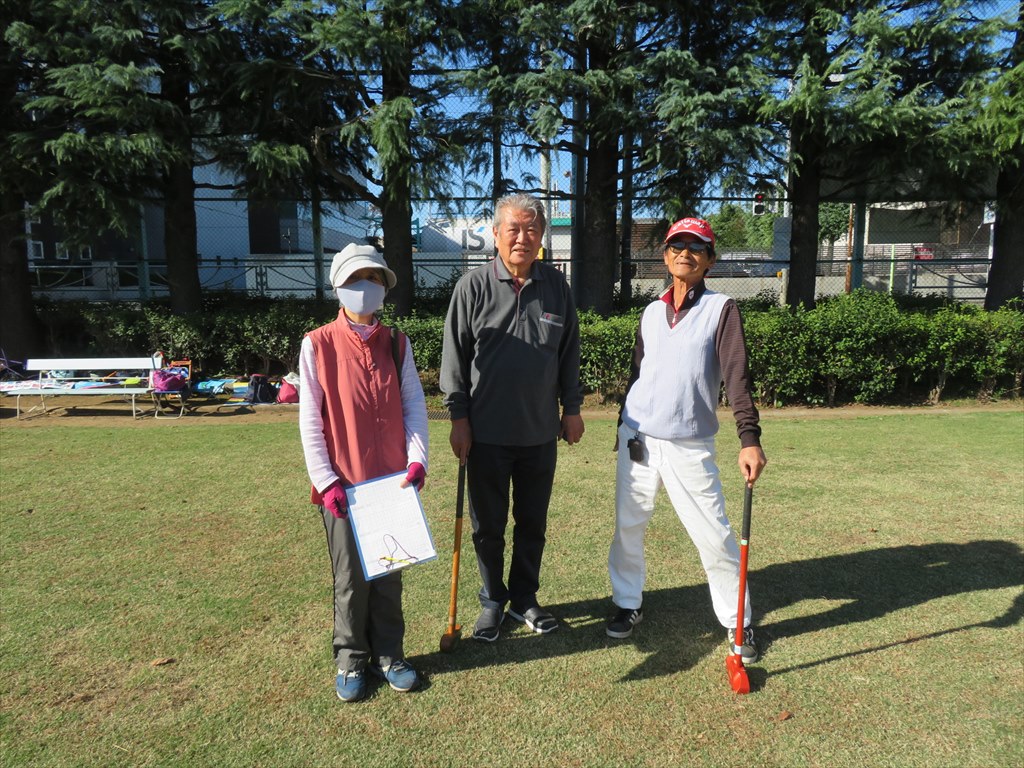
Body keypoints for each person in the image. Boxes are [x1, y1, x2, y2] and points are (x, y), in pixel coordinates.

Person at [605, 217, 767, 663]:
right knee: (628, 526)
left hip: (689, 444)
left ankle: (738, 621)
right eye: (677, 245)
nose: (685, 254)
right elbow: (639, 374)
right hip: (638, 438)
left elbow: (737, 376)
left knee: (714, 535)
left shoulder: (722, 309)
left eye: (696, 247)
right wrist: (622, 424)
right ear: (665, 256)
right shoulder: (650, 312)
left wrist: (749, 437)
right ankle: (627, 603)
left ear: (710, 260)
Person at [440, 193, 585, 642]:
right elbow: (454, 359)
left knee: (532, 523)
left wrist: (572, 408)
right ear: (496, 234)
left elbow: (568, 353)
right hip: (485, 434)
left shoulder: (556, 287)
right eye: (514, 229)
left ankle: (524, 598)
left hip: (539, 433)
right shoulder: (472, 287)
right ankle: (491, 601)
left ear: (542, 236)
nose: (523, 238)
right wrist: (458, 418)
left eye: (532, 229)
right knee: (487, 526)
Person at [298, 243, 429, 702]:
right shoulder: (317, 344)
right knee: (351, 579)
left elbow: (413, 405)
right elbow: (310, 420)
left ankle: (389, 655)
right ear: (338, 286)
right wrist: (326, 481)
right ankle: (351, 659)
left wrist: (417, 458)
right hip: (344, 486)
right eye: (356, 279)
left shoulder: (396, 342)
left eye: (373, 278)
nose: (365, 287)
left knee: (389, 574)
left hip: (391, 484)